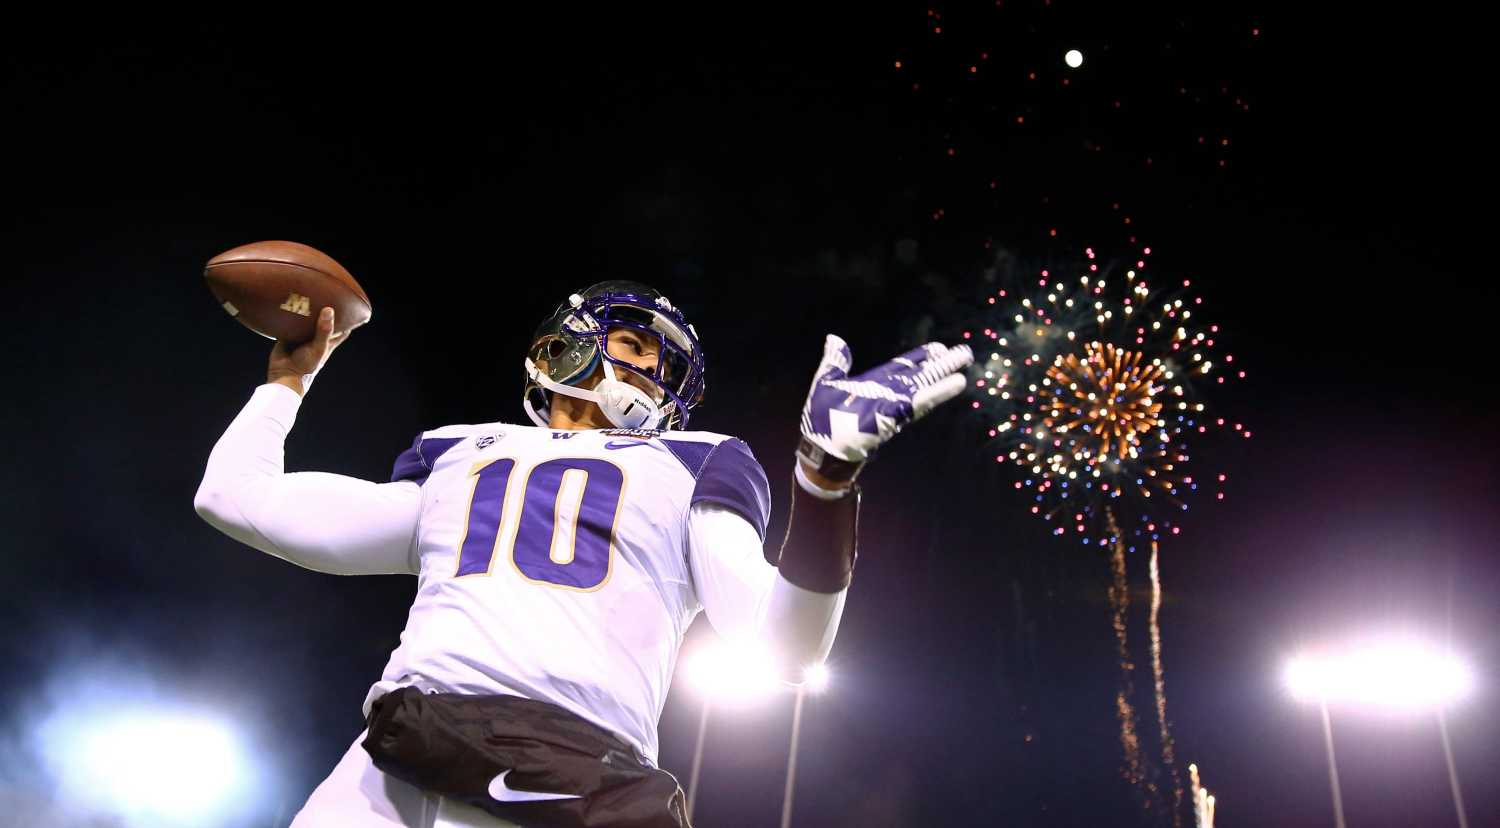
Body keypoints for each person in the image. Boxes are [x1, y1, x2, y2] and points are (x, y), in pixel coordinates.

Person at [194, 280, 971, 827]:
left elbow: (780, 648)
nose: (649, 372)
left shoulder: (690, 460)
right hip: (405, 753)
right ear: (562, 349)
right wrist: (290, 378)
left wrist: (824, 482)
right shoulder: (462, 453)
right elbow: (235, 500)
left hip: (559, 773)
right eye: (634, 345)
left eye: (662, 367)